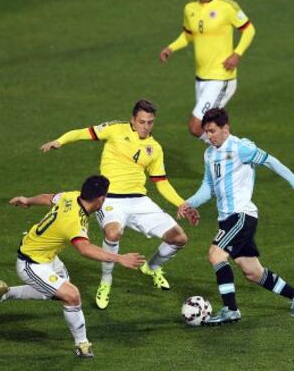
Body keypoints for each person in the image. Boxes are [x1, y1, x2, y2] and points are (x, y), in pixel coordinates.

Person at [40, 100, 197, 310]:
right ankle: (106, 282)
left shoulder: (155, 148)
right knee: (113, 234)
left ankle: (152, 267)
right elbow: (84, 132)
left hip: (139, 200)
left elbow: (161, 181)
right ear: (133, 120)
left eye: (150, 122)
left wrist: (181, 203)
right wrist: (60, 141)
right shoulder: (115, 129)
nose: (146, 126)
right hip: (110, 199)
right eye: (142, 121)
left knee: (179, 238)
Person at [178, 108, 294, 325]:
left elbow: (271, 160)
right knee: (253, 272)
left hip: (241, 215)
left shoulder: (240, 148)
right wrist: (188, 203)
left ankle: (230, 310)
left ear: (226, 128)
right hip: (227, 219)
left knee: (215, 255)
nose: (209, 136)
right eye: (206, 132)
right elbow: (208, 187)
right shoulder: (210, 154)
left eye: (213, 131)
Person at [0, 175, 145, 357]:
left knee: (56, 292)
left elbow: (48, 198)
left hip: (47, 256)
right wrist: (119, 258)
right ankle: (82, 345)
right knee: (71, 295)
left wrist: (27, 200)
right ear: (100, 198)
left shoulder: (72, 196)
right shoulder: (74, 222)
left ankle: (4, 293)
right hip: (32, 264)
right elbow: (84, 249)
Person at [160, 0, 256, 142]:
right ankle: (229, 159)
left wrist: (237, 54)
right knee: (215, 129)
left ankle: (237, 153)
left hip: (221, 78)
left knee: (197, 126)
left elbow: (249, 29)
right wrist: (171, 48)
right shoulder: (190, 9)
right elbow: (189, 35)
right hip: (201, 79)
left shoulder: (227, 6)